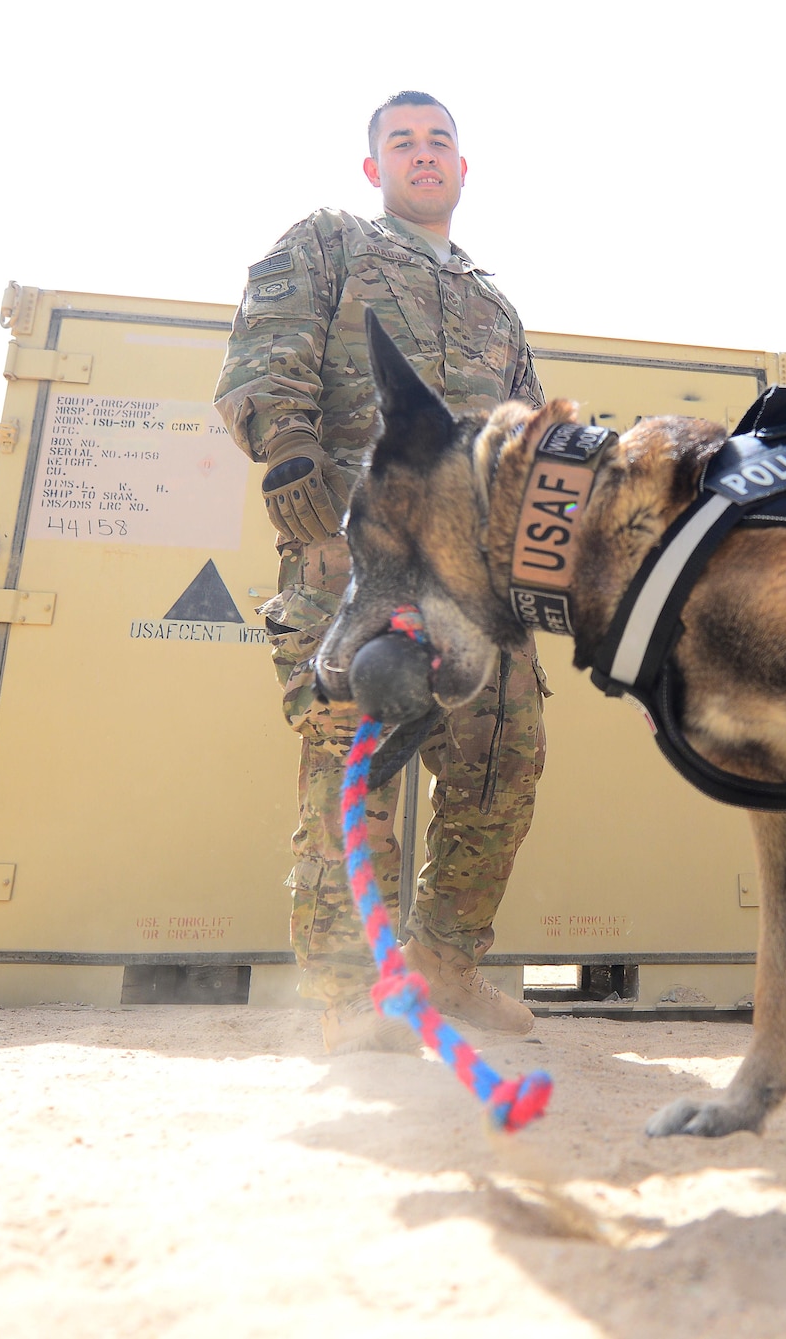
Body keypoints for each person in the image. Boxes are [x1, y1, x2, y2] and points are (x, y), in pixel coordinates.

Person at [215, 91, 546, 1053]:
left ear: (463, 165)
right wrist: (286, 452)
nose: (423, 153)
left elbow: (523, 438)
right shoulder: (332, 242)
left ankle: (445, 964)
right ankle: (349, 993)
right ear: (375, 168)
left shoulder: (495, 305)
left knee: (502, 762)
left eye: (440, 140)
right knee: (355, 767)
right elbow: (267, 349)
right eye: (401, 142)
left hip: (476, 581)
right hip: (358, 560)